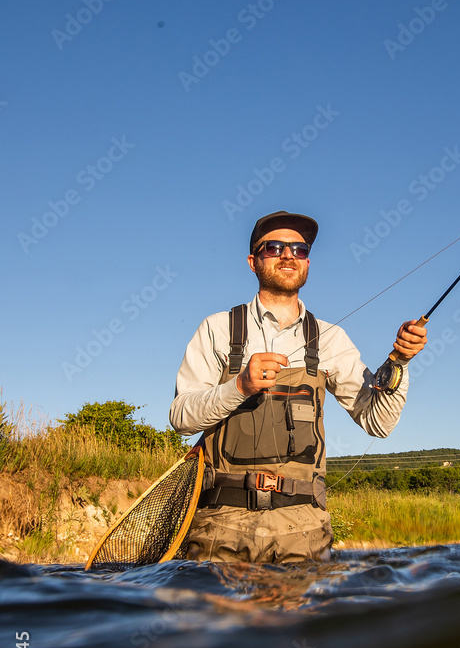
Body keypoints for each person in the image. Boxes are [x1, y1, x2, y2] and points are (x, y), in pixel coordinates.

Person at [169, 210, 427, 564]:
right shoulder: (217, 328)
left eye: (299, 249)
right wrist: (240, 385)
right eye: (273, 247)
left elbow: (377, 422)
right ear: (253, 261)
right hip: (220, 528)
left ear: (307, 262)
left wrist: (399, 361)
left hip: (304, 531)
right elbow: (181, 417)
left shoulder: (332, 339)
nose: (288, 255)